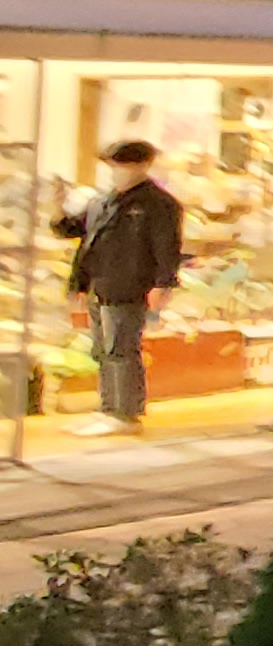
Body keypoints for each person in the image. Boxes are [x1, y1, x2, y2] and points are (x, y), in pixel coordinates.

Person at [62, 140, 182, 435]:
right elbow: (80, 236)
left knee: (122, 349)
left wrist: (163, 283)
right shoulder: (102, 201)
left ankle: (126, 413)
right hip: (99, 285)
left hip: (130, 285)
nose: (117, 170)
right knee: (103, 350)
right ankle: (108, 407)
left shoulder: (158, 204)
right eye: (113, 165)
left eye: (123, 164)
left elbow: (167, 247)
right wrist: (79, 283)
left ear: (143, 165)